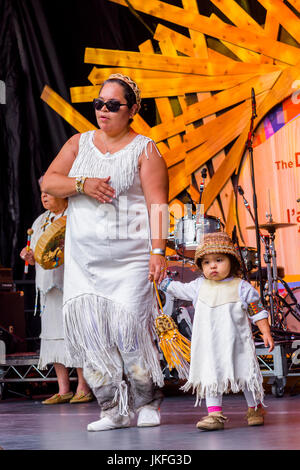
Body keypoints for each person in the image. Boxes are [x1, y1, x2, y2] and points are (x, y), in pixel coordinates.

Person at [41, 73, 169, 431]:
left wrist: (158, 251)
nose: (103, 110)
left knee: (129, 333)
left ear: (133, 110)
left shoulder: (145, 149)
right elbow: (49, 181)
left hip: (129, 259)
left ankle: (147, 401)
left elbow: (158, 203)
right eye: (99, 103)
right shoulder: (78, 144)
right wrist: (82, 184)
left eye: (113, 105)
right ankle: (113, 408)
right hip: (85, 261)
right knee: (93, 335)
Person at [159, 231, 274, 431]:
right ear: (201, 266)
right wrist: (162, 281)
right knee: (211, 377)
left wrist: (265, 332)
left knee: (246, 374)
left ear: (232, 262)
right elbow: (177, 289)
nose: (213, 266)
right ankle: (214, 414)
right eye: (206, 262)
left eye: (219, 260)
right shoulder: (198, 286)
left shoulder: (242, 287)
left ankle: (254, 408)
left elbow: (257, 311)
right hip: (209, 345)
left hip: (237, 343)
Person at [20, 190, 92, 404]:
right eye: (41, 193)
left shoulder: (76, 216)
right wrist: (28, 256)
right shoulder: (41, 220)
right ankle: (63, 389)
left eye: (49, 192)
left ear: (63, 194)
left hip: (72, 284)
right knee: (53, 334)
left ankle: (83, 386)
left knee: (75, 334)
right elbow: (37, 256)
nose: (44, 196)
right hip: (48, 286)